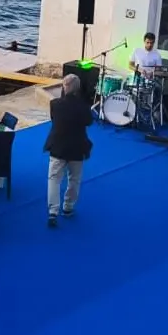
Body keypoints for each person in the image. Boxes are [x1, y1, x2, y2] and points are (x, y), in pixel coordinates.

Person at [44, 73, 93, 228]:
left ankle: (53, 211)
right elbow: (89, 122)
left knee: (54, 179)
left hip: (58, 146)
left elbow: (54, 119)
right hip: (77, 147)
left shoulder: (55, 104)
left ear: (64, 87)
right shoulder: (84, 107)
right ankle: (68, 207)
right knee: (74, 179)